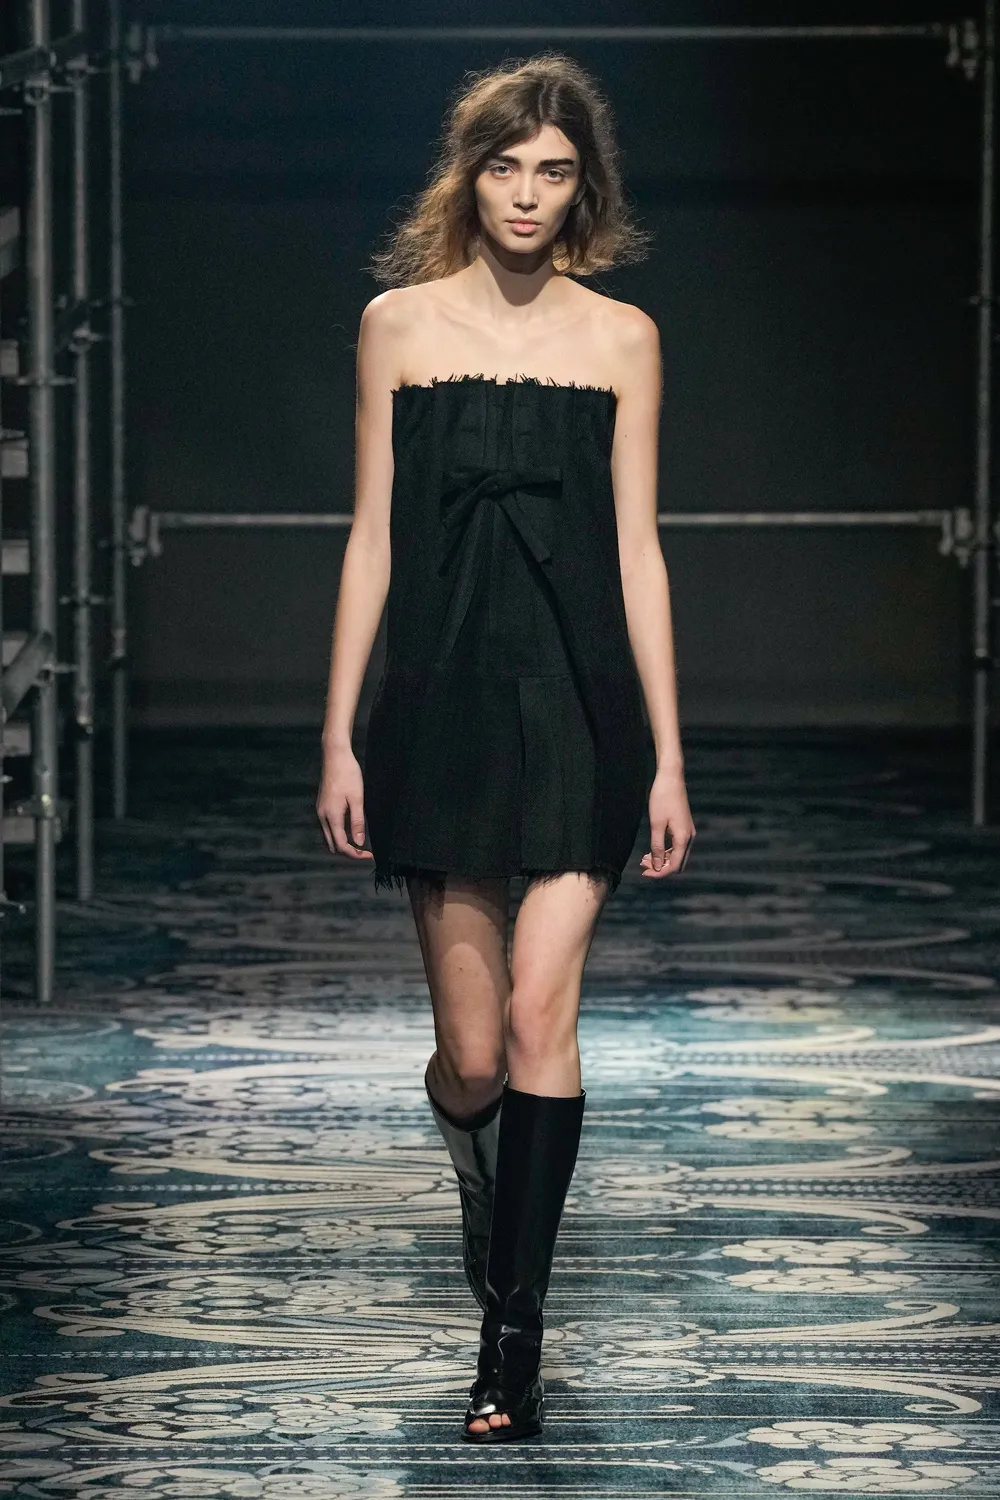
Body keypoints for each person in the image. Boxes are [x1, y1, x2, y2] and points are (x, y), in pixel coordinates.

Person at [316, 50, 695, 1444]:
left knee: (544, 1019)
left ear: (584, 189)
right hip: (441, 706)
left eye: (554, 172)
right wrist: (339, 735)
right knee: (474, 1059)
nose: (527, 194)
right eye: (505, 167)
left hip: (584, 710)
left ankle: (511, 1341)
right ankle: (484, 1179)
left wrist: (667, 755)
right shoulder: (397, 327)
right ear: (467, 176)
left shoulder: (624, 339)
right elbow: (371, 537)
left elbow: (640, 553)